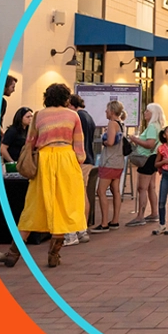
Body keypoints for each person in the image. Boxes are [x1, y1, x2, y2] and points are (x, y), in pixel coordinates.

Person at [0, 82, 86, 269]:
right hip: (66, 160)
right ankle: (54, 255)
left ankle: (13, 254)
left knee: (33, 205)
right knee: (63, 205)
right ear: (65, 98)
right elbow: (79, 147)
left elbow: (30, 142)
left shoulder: (38, 115)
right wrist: (77, 161)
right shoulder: (73, 116)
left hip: (44, 160)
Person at [125, 102, 165, 227]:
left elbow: (149, 144)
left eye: (147, 111)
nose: (145, 113)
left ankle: (140, 216)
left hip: (146, 158)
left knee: (142, 188)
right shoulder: (158, 126)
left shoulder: (152, 126)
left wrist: (135, 139)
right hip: (153, 157)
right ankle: (154, 213)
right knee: (151, 187)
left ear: (153, 113)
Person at [64, 95, 96, 247]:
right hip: (88, 157)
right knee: (82, 192)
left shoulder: (78, 117)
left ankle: (81, 228)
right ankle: (82, 228)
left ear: (71, 104)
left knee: (79, 193)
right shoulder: (88, 117)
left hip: (80, 159)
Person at [91, 101, 126, 233]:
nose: (105, 111)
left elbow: (110, 142)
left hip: (109, 161)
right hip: (118, 161)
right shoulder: (121, 124)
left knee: (101, 191)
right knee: (115, 190)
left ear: (112, 111)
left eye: (107, 109)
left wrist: (104, 140)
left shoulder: (112, 123)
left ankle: (104, 223)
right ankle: (115, 220)